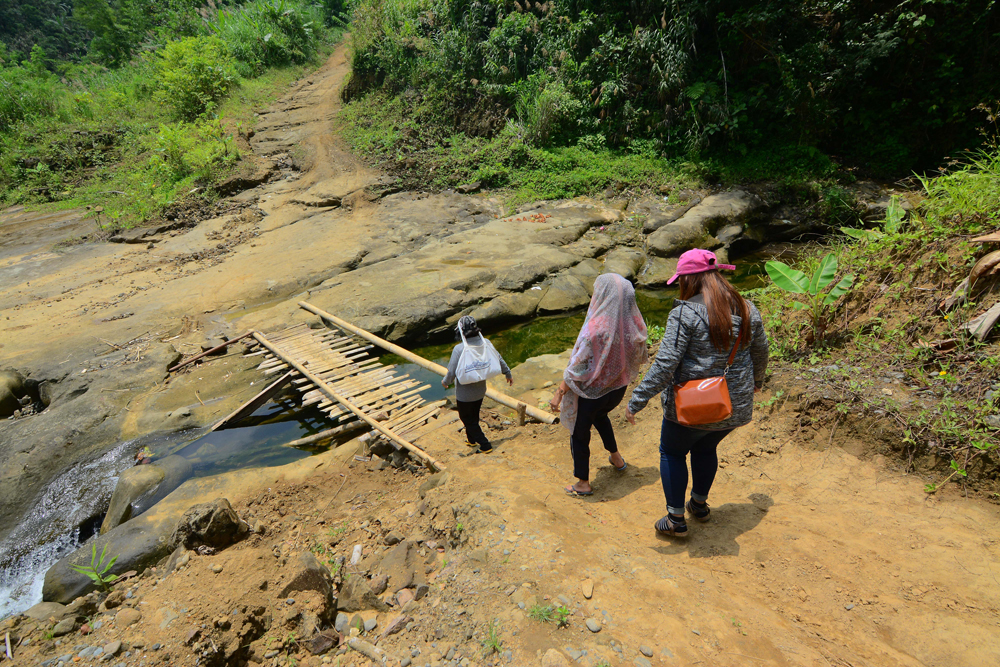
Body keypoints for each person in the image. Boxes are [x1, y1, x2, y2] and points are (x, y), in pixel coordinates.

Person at [626, 248, 769, 537]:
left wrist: (637, 399)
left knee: (672, 451)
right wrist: (758, 381)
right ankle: (699, 505)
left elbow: (666, 363)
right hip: (733, 405)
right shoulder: (747, 307)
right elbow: (761, 349)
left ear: (689, 281)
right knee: (706, 447)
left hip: (691, 407)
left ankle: (676, 521)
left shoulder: (684, 313)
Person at [550, 273, 648, 496]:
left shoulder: (596, 329)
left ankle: (582, 483)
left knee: (579, 433)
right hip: (617, 390)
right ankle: (616, 458)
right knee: (601, 417)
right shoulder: (633, 324)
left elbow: (576, 369)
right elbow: (640, 353)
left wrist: (558, 394)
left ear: (602, 295)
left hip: (593, 394)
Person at [442, 315, 513, 453]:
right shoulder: (485, 342)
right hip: (480, 390)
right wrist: (508, 373)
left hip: (464, 394)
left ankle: (485, 445)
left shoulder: (459, 348)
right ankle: (471, 440)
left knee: (466, 418)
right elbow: (499, 359)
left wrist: (446, 382)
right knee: (473, 416)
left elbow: (451, 371)